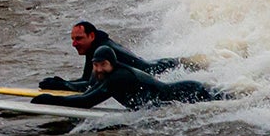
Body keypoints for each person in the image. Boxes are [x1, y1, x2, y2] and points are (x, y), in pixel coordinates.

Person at [31, 45, 225, 110]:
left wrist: (52, 100)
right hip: (182, 93)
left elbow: (88, 100)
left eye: (102, 65)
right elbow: (89, 90)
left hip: (189, 93)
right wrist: (64, 85)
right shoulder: (102, 71)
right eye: (95, 65)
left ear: (112, 63)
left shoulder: (119, 76)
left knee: (231, 102)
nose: (98, 70)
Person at [39, 21, 182, 92]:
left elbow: (92, 86)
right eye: (72, 39)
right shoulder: (95, 48)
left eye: (79, 39)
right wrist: (64, 83)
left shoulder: (102, 50)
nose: (74, 44)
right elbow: (87, 80)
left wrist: (64, 85)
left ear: (92, 36)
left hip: (161, 69)